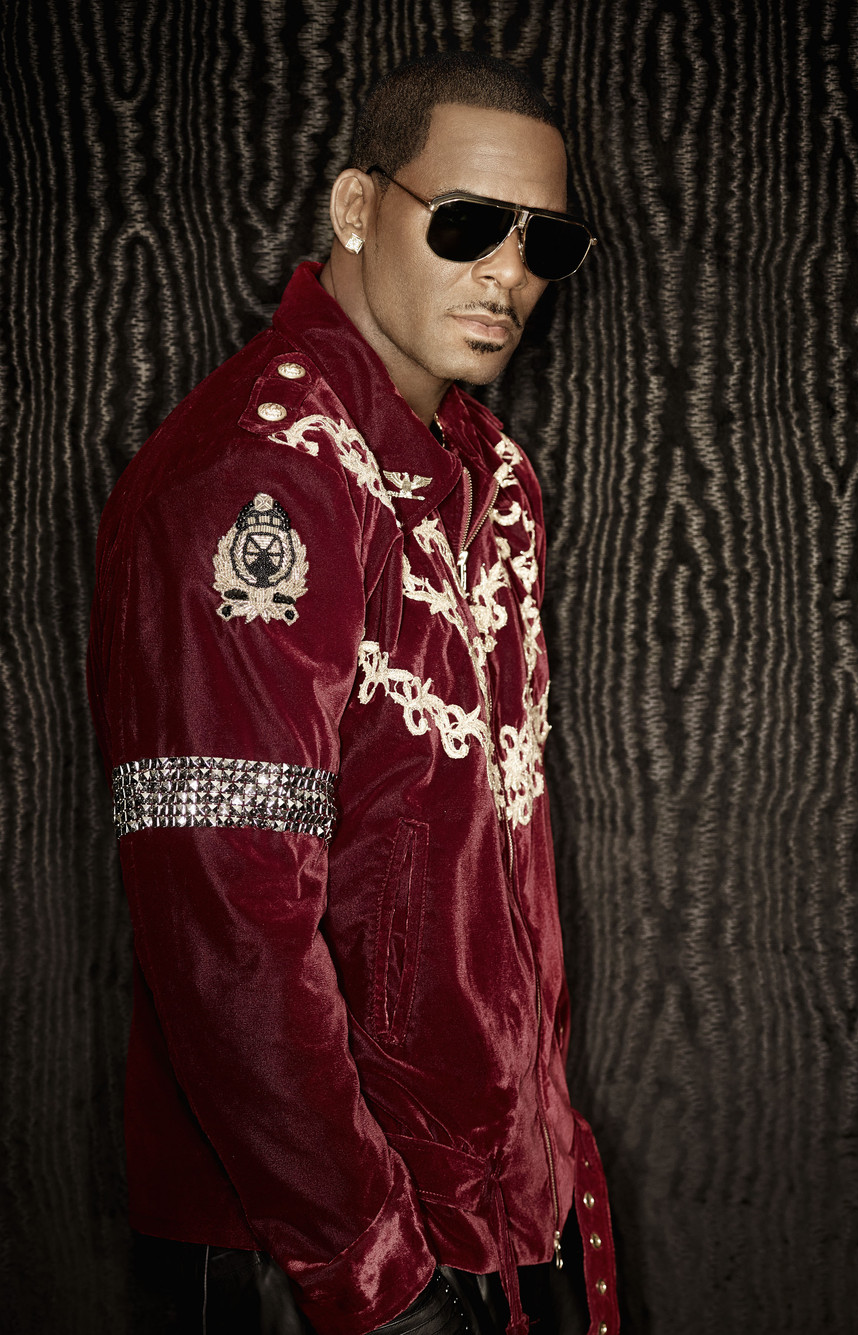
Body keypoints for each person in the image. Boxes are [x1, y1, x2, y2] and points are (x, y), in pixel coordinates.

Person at [88, 51, 617, 1335]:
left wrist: (547, 1175)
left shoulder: (492, 477)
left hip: (499, 1219)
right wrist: (375, 1278)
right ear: (356, 207)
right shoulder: (258, 477)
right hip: (314, 1263)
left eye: (545, 241)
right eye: (470, 223)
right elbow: (227, 925)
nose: (508, 274)